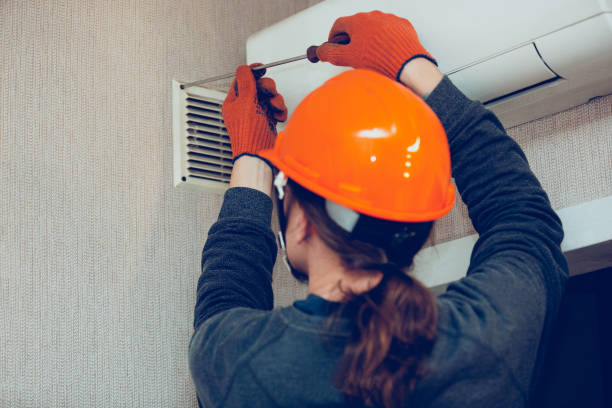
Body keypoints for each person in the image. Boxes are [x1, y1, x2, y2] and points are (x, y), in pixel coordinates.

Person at [188, 11, 568, 408]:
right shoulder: (486, 339)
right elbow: (523, 221)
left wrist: (253, 158)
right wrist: (412, 66)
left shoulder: (234, 364)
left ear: (300, 223)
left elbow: (225, 297)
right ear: (417, 227)